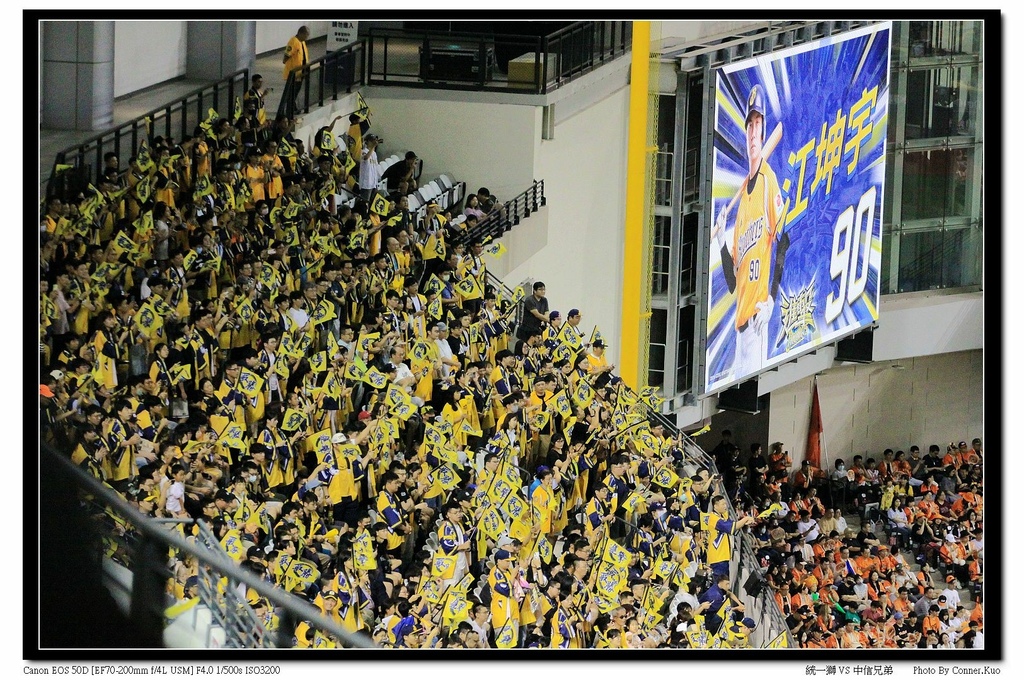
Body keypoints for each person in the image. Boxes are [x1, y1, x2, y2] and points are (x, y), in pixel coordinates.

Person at [712, 83, 790, 379]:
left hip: (758, 322)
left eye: (758, 124)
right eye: (750, 125)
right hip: (739, 330)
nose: (754, 132)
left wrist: (772, 299)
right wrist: (722, 239)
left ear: (763, 130)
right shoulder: (742, 201)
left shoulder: (769, 181)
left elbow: (783, 242)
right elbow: (733, 283)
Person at [282, 26, 310, 114]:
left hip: (300, 72)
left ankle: (292, 107)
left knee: (295, 91)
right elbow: (287, 54)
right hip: (293, 73)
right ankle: (289, 109)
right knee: (291, 92)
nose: (307, 37)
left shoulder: (302, 42)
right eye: (306, 35)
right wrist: (285, 61)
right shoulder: (293, 41)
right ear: (301, 33)